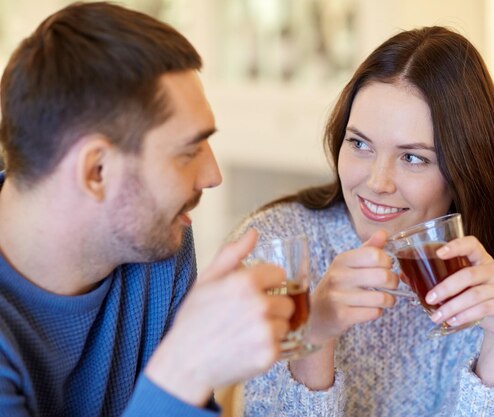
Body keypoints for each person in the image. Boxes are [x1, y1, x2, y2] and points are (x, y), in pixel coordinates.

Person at [231, 26, 494, 416]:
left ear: (464, 169)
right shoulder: (273, 249)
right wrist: (313, 335)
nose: (377, 183)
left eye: (413, 157)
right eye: (360, 144)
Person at [0, 2, 294, 416]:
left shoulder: (156, 244)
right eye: (188, 151)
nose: (212, 175)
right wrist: (184, 365)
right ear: (96, 171)